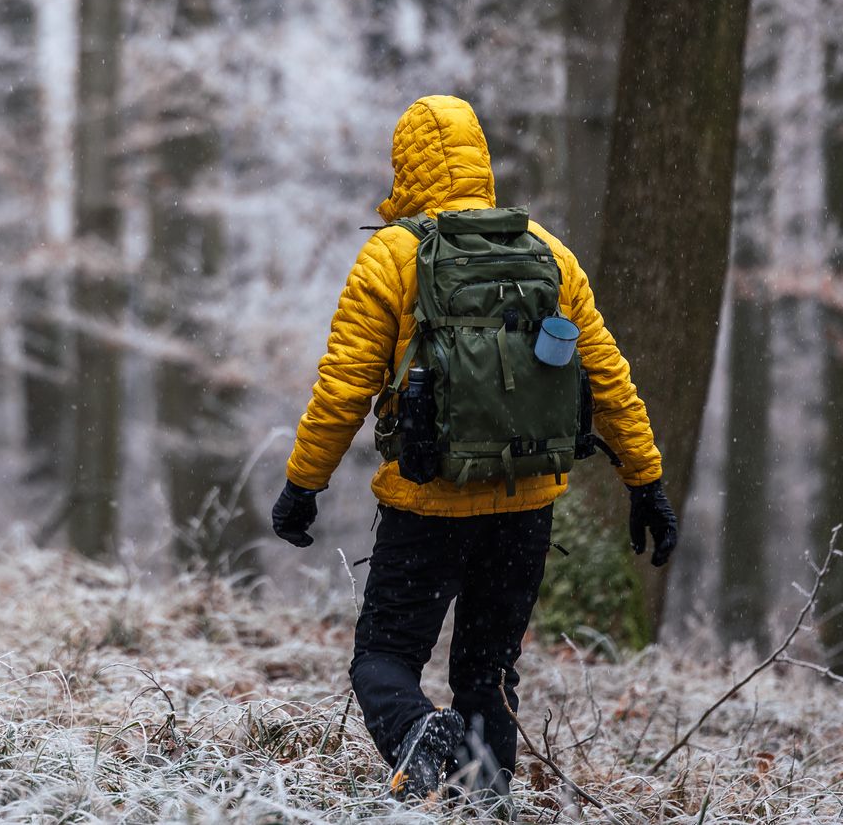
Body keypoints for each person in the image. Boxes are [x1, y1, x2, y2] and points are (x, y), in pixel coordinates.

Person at [270, 95, 678, 804]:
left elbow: (343, 389)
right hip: (525, 501)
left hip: (427, 500)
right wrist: (645, 482)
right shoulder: (546, 253)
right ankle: (482, 804)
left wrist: (303, 485)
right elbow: (605, 375)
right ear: (480, 162)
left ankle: (417, 731)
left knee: (384, 658)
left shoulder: (392, 257)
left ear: (405, 164)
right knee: (488, 671)